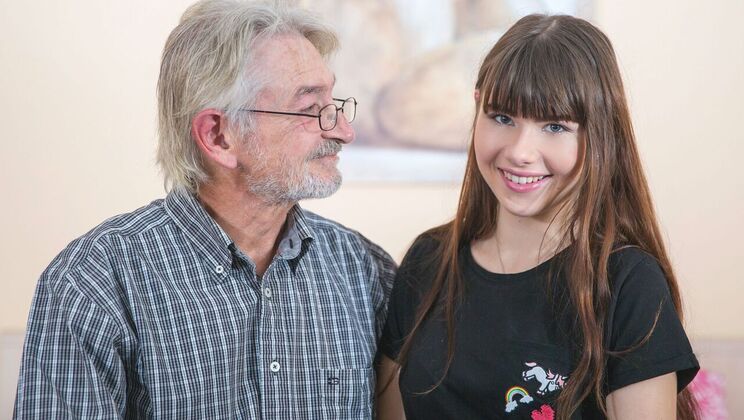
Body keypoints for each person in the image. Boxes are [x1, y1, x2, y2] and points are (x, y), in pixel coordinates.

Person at [14, 0, 396, 418]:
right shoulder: (91, 285)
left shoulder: (365, 270)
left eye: (333, 103)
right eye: (309, 109)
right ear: (217, 136)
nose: (344, 131)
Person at [376, 14, 699, 420]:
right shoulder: (427, 261)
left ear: (600, 135)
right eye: (502, 118)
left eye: (555, 126)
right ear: (477, 107)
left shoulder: (627, 282)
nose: (520, 151)